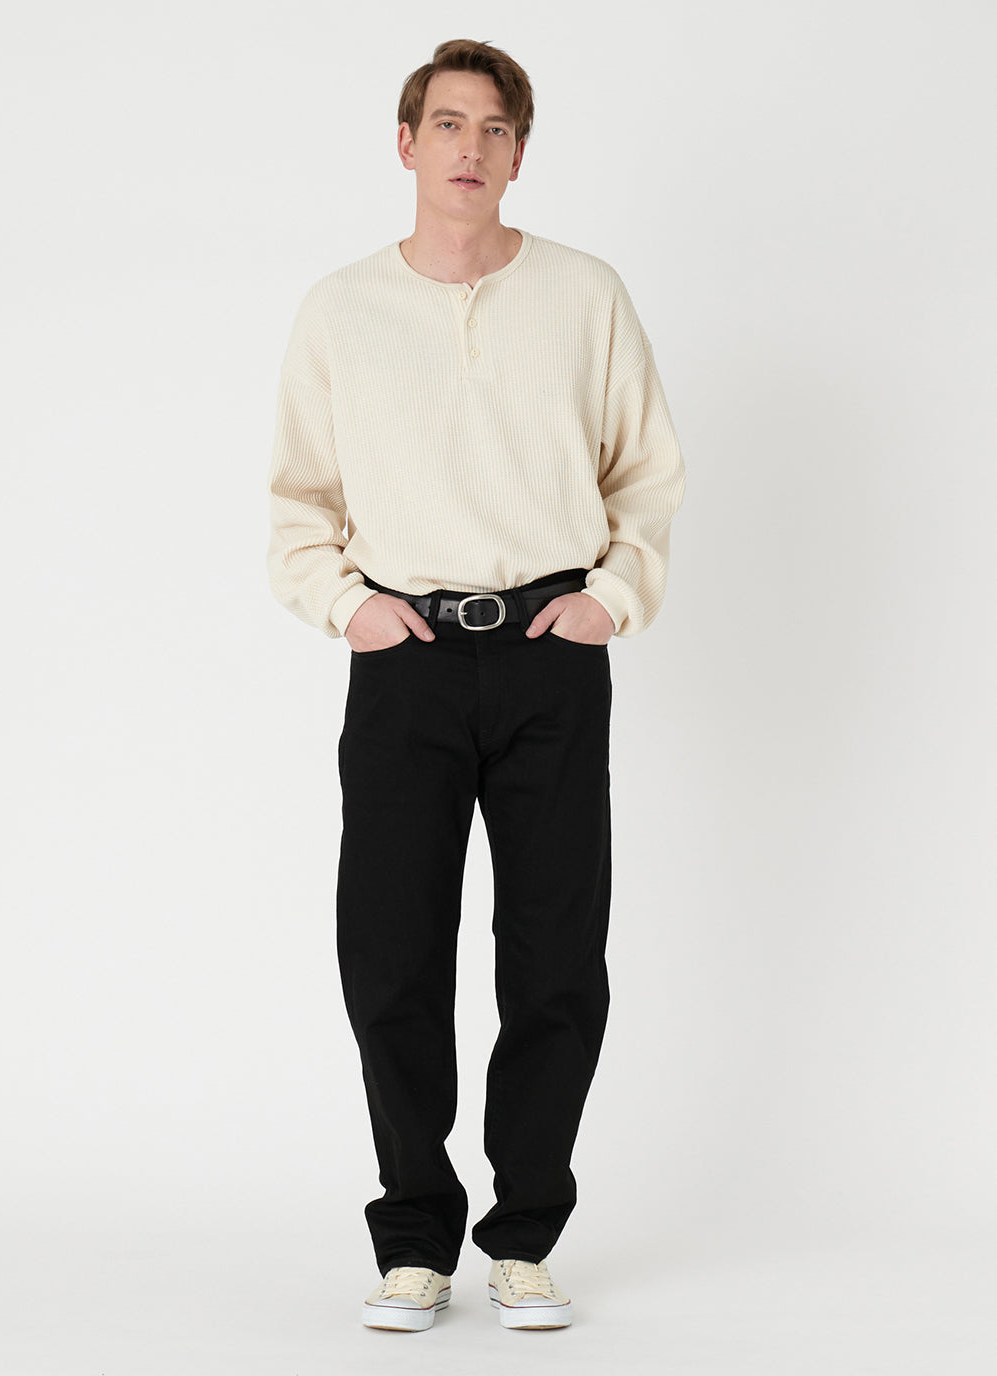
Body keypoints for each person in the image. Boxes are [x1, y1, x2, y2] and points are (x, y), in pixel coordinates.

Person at [266, 37, 686, 1332]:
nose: (471, 147)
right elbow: (299, 500)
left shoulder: (583, 294)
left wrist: (611, 596)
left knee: (556, 957)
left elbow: (646, 472)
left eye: (496, 128)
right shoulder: (341, 310)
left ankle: (524, 1236)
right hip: (408, 660)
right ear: (407, 143)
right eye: (448, 123)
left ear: (519, 152)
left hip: (552, 653)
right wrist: (350, 607)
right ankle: (413, 1240)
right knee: (390, 955)